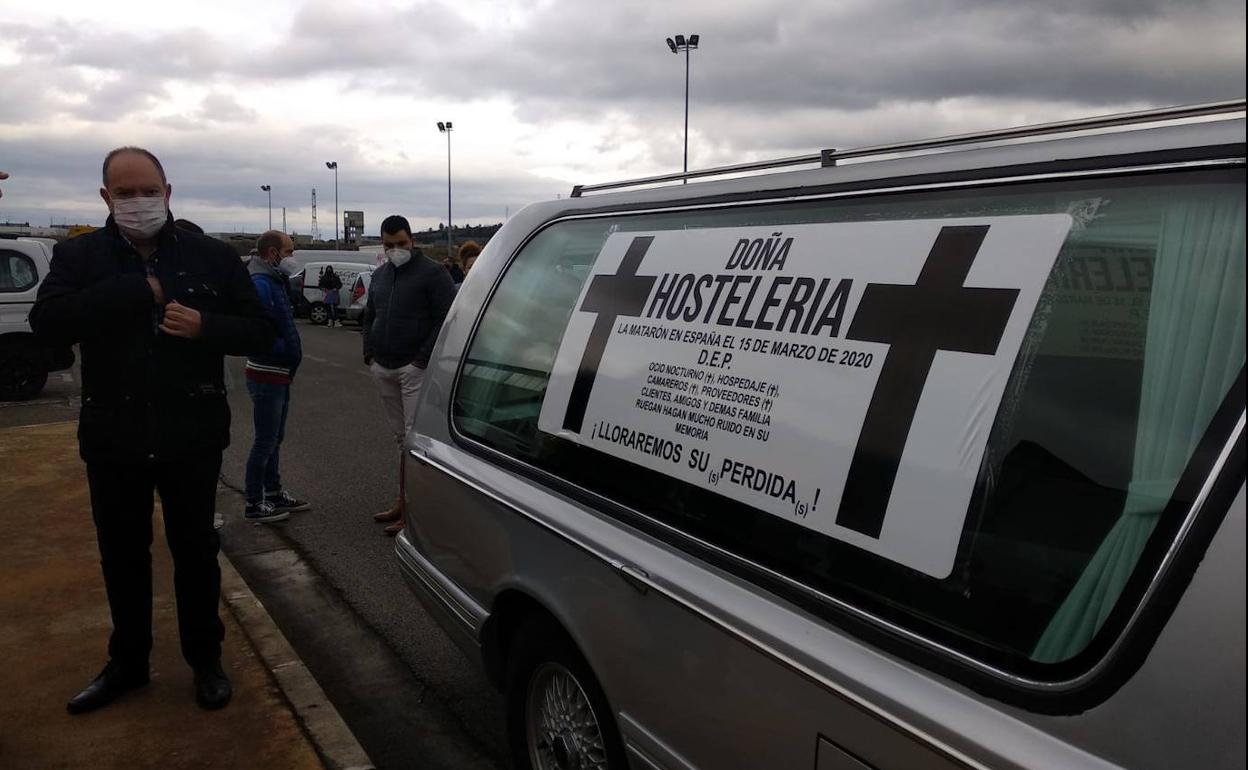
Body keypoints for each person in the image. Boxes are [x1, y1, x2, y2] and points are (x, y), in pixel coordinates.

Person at [30, 147, 275, 715]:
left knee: (195, 550)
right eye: (125, 193)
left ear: (168, 191)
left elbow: (262, 331)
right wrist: (138, 291)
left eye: (148, 191)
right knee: (122, 555)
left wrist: (205, 326)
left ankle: (205, 658)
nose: (138, 202)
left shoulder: (212, 256)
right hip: (113, 434)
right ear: (105, 198)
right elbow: (49, 322)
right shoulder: (79, 257)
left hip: (192, 432)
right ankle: (129, 662)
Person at [362, 215, 456, 535]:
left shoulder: (433, 273)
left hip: (413, 369)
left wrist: (421, 360)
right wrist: (369, 353)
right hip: (383, 366)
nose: (395, 250)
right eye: (389, 245)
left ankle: (415, 514)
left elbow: (447, 317)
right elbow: (370, 314)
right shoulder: (381, 276)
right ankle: (403, 501)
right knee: (401, 441)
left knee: (415, 443)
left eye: (401, 244)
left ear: (411, 240)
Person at [243, 230, 309, 523]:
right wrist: (284, 351)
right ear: (273, 254)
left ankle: (273, 492)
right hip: (267, 372)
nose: (292, 258)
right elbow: (259, 333)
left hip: (279, 373)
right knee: (265, 440)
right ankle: (254, 502)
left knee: (274, 438)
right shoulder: (261, 284)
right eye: (290, 251)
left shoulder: (272, 280)